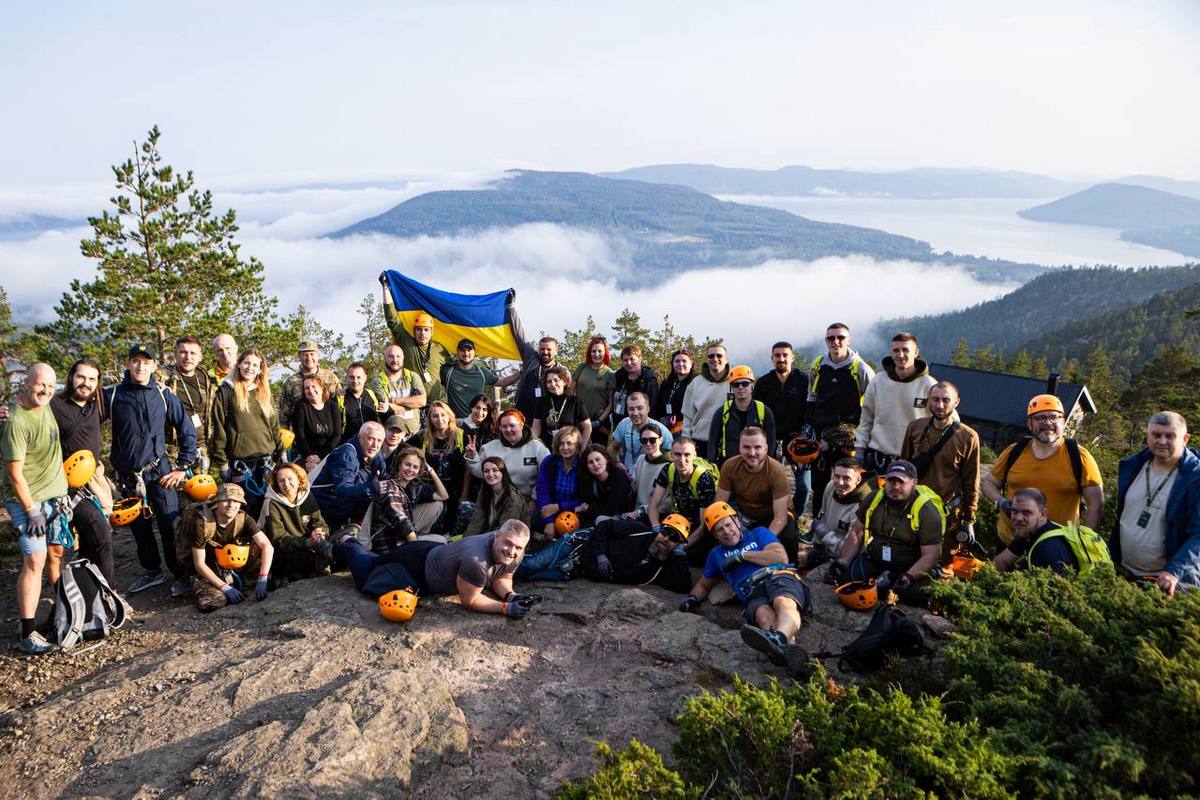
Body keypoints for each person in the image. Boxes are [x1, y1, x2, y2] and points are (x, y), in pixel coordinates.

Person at [104, 345, 197, 595]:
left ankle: (180, 575)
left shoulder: (164, 396)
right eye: (135, 361)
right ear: (128, 364)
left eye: (146, 362)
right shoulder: (112, 396)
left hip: (160, 473)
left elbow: (187, 430)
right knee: (140, 528)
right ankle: (152, 572)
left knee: (170, 523)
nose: (140, 366)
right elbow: (81, 417)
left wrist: (182, 467)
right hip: (128, 477)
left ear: (154, 366)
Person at [679, 501, 809, 667]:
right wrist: (691, 599)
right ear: (715, 536)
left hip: (778, 576)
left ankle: (779, 638)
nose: (727, 532)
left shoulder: (759, 534)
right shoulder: (716, 555)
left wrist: (743, 556)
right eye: (720, 530)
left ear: (737, 521)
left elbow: (780, 557)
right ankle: (795, 658)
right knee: (763, 616)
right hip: (752, 591)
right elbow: (704, 585)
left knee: (782, 602)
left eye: (728, 524)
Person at [334, 518, 536, 619]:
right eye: (508, 544)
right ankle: (347, 540)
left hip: (435, 555)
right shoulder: (476, 560)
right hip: (413, 566)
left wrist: (510, 595)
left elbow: (502, 575)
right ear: (497, 536)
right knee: (367, 579)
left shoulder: (516, 551)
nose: (512, 551)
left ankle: (352, 547)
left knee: (378, 562)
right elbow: (470, 599)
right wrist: (505, 608)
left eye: (518, 547)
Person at [3, 364, 71, 654]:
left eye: (50, 385)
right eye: (40, 384)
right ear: (24, 383)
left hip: (54, 497)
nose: (45, 390)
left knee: (56, 553)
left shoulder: (46, 404)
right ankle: (28, 631)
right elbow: (14, 475)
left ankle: (60, 610)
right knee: (35, 561)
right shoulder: (15, 421)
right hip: (28, 503)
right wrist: (32, 510)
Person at [981, 394, 1104, 546]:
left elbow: (1096, 505)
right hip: (1009, 541)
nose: (1048, 423)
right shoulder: (1014, 451)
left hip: (1056, 547)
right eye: (1040, 418)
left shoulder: (1079, 457)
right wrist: (1002, 502)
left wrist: (1084, 544)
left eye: (1054, 417)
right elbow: (989, 483)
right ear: (1030, 423)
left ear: (1064, 422)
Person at [829, 460, 943, 607]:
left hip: (909, 568)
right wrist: (842, 562)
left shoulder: (927, 512)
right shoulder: (873, 499)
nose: (895, 486)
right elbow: (857, 533)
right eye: (891, 481)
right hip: (876, 561)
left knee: (916, 595)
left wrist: (909, 577)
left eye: (901, 482)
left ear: (914, 482)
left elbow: (931, 555)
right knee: (846, 580)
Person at [1110, 411, 1200, 594]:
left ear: (1185, 439)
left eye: (1170, 436)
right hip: (1124, 573)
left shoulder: (1194, 479)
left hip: (1167, 582)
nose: (1162, 441)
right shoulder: (1133, 466)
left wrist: (1173, 571)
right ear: (1148, 435)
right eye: (1156, 434)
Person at [899, 380, 980, 565]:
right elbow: (902, 468)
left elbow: (971, 482)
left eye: (946, 400)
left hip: (947, 513)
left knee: (942, 567)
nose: (940, 405)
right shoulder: (915, 427)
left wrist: (968, 521)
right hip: (912, 510)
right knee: (908, 562)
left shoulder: (968, 437)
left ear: (956, 402)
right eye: (935, 399)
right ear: (929, 401)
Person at [50, 358, 115, 584]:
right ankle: (109, 596)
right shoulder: (54, 406)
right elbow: (27, 415)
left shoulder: (97, 404)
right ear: (71, 377)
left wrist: (160, 386)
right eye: (81, 377)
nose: (85, 383)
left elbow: (129, 393)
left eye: (91, 379)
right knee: (100, 535)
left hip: (92, 484)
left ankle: (88, 595)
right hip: (64, 489)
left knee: (91, 542)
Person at [807, 323, 874, 516]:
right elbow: (812, 396)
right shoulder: (818, 365)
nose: (836, 342)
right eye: (831, 338)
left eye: (841, 337)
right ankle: (817, 522)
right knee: (819, 484)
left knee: (846, 483)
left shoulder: (860, 368)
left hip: (848, 439)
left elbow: (871, 405)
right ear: (826, 341)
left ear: (849, 340)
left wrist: (862, 437)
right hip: (821, 436)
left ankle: (846, 524)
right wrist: (809, 424)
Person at [174, 483, 274, 612]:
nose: (231, 505)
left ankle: (247, 581)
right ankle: (195, 584)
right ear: (218, 501)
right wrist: (225, 587)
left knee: (258, 549)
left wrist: (263, 578)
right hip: (205, 569)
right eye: (226, 500)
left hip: (228, 561)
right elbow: (199, 564)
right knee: (215, 601)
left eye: (236, 501)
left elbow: (267, 546)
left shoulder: (243, 518)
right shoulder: (201, 522)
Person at [210, 349, 281, 521]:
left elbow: (274, 425)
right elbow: (219, 429)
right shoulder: (226, 391)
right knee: (244, 510)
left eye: (255, 365)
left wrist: (281, 450)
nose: (250, 368)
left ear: (260, 369)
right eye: (247, 363)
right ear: (239, 364)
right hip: (240, 463)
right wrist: (222, 463)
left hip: (266, 460)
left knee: (268, 508)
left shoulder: (264, 391)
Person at [855, 332, 935, 476]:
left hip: (914, 460)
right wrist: (859, 448)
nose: (900, 354)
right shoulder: (878, 381)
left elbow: (947, 421)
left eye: (905, 350)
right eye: (896, 350)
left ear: (916, 352)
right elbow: (866, 418)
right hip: (877, 457)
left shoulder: (929, 385)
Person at [716, 427, 798, 562]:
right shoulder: (729, 466)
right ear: (740, 448)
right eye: (746, 447)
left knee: (788, 537)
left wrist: (759, 544)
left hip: (772, 518)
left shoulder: (776, 471)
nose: (752, 453)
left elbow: (780, 518)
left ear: (766, 448)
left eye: (757, 447)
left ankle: (793, 570)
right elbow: (720, 506)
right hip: (744, 516)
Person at [380, 275, 455, 405]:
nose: (422, 333)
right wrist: (385, 287)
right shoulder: (406, 342)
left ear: (432, 332)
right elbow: (392, 320)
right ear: (414, 331)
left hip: (435, 406)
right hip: (410, 405)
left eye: (426, 330)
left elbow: (460, 364)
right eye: (419, 329)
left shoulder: (439, 349)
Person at [754, 341, 810, 515]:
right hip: (770, 439)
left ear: (792, 357)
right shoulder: (763, 383)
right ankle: (772, 516)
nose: (781, 359)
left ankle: (795, 518)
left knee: (804, 487)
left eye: (785, 355)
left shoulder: (804, 380)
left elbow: (811, 408)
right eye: (777, 355)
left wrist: (806, 434)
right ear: (772, 358)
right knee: (766, 484)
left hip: (798, 439)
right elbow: (757, 414)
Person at [993, 488, 1104, 575]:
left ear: (1043, 514)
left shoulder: (1047, 548)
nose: (1018, 518)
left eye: (1026, 513)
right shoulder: (1029, 532)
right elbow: (1001, 562)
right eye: (1014, 512)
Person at [648, 437, 720, 563]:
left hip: (697, 527)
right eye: (677, 454)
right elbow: (653, 506)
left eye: (687, 455)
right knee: (648, 534)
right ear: (671, 455)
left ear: (694, 456)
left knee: (695, 555)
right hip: (677, 521)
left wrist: (684, 545)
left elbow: (704, 525)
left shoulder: (703, 479)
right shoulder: (668, 470)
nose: (682, 460)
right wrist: (656, 528)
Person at [258, 462, 331, 581]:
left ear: (298, 479)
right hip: (281, 551)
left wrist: (320, 534)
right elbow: (278, 540)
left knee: (333, 550)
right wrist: (308, 542)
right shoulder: (271, 503)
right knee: (308, 558)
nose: (286, 484)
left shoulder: (307, 497)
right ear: (276, 484)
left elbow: (320, 523)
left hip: (307, 545)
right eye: (281, 481)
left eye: (290, 479)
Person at [311, 421, 388, 533]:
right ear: (359, 437)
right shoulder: (346, 455)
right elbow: (343, 491)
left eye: (379, 440)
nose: (375, 445)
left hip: (348, 510)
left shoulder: (376, 453)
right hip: (326, 511)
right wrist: (371, 488)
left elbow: (384, 477)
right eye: (371, 439)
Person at [584, 513, 692, 591]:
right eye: (665, 532)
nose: (666, 538)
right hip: (583, 549)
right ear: (659, 530)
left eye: (674, 538)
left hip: (588, 574)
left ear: (679, 543)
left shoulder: (662, 569)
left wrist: (680, 554)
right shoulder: (639, 530)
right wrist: (600, 553)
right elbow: (604, 526)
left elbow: (684, 586)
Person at [158, 336, 217, 471]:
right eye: (183, 352)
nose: (188, 357)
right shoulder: (162, 376)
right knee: (175, 489)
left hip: (201, 449)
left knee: (202, 490)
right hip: (172, 450)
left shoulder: (205, 378)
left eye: (193, 353)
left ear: (200, 357)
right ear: (176, 355)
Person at [464, 409, 549, 500]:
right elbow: (481, 473)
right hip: (498, 502)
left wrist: (534, 501)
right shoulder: (489, 448)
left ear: (521, 425)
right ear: (500, 428)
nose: (508, 430)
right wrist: (472, 457)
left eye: (512, 425)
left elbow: (547, 477)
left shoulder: (537, 448)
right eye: (504, 426)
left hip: (529, 502)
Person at [410, 400, 467, 531]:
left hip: (455, 489)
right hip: (431, 490)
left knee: (453, 526)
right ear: (430, 419)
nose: (439, 419)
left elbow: (467, 469)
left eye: (443, 415)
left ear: (449, 417)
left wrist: (464, 493)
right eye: (435, 416)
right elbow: (403, 450)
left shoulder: (461, 436)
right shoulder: (422, 437)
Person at [807, 457, 872, 564]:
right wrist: (817, 545)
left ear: (858, 479)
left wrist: (824, 534)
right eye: (837, 476)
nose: (840, 482)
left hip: (846, 559)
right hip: (825, 548)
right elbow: (822, 516)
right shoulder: (831, 486)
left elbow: (850, 550)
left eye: (846, 478)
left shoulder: (863, 505)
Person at [709, 365, 776, 466]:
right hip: (729, 467)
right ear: (731, 388)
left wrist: (766, 466)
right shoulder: (722, 412)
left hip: (757, 466)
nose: (740, 387)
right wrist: (713, 466)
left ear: (752, 386)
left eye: (745, 384)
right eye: (736, 384)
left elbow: (771, 442)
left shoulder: (763, 412)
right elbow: (712, 443)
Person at [384, 446, 449, 539]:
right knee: (440, 540)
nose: (410, 470)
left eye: (415, 467)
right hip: (392, 533)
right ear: (399, 464)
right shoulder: (391, 484)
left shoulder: (414, 486)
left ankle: (420, 536)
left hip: (407, 527)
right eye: (407, 464)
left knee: (438, 504)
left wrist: (431, 471)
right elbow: (398, 518)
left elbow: (444, 496)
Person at [681, 343, 731, 459]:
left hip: (729, 443)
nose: (715, 359)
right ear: (707, 360)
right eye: (711, 356)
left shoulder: (736, 382)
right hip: (700, 442)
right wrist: (686, 441)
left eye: (719, 356)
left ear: (726, 359)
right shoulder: (695, 383)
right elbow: (688, 416)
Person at [278, 341, 342, 432]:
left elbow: (341, 404)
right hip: (301, 437)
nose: (309, 358)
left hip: (329, 435)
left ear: (318, 355)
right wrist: (283, 436)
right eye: (305, 354)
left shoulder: (330, 376)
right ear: (299, 356)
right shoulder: (291, 382)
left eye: (312, 354)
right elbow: (284, 414)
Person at [535, 426, 585, 540]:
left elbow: (585, 497)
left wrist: (559, 507)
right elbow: (543, 491)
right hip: (549, 511)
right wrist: (549, 522)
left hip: (574, 511)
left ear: (577, 446)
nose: (565, 447)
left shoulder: (583, 465)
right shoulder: (549, 462)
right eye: (561, 444)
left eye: (569, 443)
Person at [462, 457, 529, 537]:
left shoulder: (512, 499)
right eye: (486, 471)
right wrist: (466, 541)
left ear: (502, 473)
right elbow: (477, 520)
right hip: (489, 533)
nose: (490, 474)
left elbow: (504, 531)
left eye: (495, 470)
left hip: (508, 540)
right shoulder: (485, 491)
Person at [608, 392, 673, 472]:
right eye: (631, 409)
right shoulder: (625, 424)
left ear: (648, 409)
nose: (635, 413)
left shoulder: (660, 430)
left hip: (651, 473)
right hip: (628, 472)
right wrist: (617, 464)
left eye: (640, 408)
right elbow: (612, 448)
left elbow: (671, 457)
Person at [532, 364, 592, 449]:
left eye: (556, 380)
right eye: (548, 382)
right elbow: (536, 428)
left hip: (570, 449)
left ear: (564, 381)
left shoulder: (575, 401)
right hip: (547, 449)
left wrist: (581, 449)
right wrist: (534, 446)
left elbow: (587, 427)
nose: (552, 384)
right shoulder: (541, 402)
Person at [373, 344, 427, 438]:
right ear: (385, 358)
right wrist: (412, 405)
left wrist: (395, 401)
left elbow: (422, 401)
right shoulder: (378, 382)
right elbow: (388, 409)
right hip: (391, 436)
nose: (395, 360)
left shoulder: (413, 377)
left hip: (414, 433)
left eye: (398, 356)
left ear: (403, 358)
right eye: (390, 356)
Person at [292, 374, 342, 471]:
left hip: (328, 454)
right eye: (307, 388)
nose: (310, 390)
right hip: (308, 457)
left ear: (321, 387)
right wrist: (309, 456)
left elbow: (337, 435)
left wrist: (321, 456)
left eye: (314, 386)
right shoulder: (301, 406)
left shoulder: (332, 406)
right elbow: (299, 435)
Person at [572, 335, 615, 444]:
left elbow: (611, 403)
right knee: (579, 451)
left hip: (600, 422)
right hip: (580, 419)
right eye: (593, 351)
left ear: (605, 352)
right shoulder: (582, 368)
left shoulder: (610, 374)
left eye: (600, 351)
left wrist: (599, 421)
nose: (596, 354)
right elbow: (570, 392)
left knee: (599, 453)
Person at [442, 338, 499, 419]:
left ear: (474, 352)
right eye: (463, 350)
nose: (466, 353)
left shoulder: (482, 372)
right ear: (457, 352)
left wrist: (522, 372)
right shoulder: (447, 371)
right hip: (456, 425)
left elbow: (503, 381)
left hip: (478, 423)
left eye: (469, 350)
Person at [577, 444, 633, 525]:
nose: (595, 464)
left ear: (606, 459)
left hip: (622, 518)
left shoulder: (619, 477)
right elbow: (586, 500)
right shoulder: (588, 480)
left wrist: (588, 508)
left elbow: (611, 509)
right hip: (596, 517)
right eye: (590, 462)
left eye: (598, 459)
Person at [508, 336, 561, 420]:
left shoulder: (562, 371)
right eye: (542, 349)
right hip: (522, 415)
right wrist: (512, 321)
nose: (545, 352)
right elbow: (520, 337)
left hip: (546, 417)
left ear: (556, 350)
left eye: (549, 349)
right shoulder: (531, 360)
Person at [610, 345, 659, 428]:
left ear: (640, 359)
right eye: (625, 360)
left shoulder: (648, 379)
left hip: (642, 427)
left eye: (632, 359)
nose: (629, 363)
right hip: (620, 426)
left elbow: (653, 407)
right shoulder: (618, 376)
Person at [631, 424, 672, 518]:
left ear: (661, 440)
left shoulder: (669, 466)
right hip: (635, 512)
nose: (648, 444)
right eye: (644, 440)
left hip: (654, 515)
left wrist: (641, 512)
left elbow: (667, 503)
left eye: (652, 440)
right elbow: (633, 486)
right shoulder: (641, 459)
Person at [654, 348, 696, 434]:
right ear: (672, 364)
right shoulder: (667, 382)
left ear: (691, 364)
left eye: (684, 361)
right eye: (677, 361)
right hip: (665, 427)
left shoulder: (696, 382)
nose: (680, 364)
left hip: (687, 430)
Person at [339, 362, 382, 444]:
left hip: (372, 445)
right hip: (349, 445)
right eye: (352, 377)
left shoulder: (373, 395)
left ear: (365, 378)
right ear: (347, 378)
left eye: (359, 377)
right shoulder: (340, 398)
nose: (355, 381)